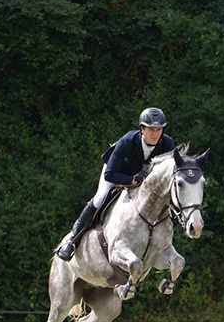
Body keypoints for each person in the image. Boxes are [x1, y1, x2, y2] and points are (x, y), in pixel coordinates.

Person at [55, 107, 176, 261]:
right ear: (142, 129)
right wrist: (131, 181)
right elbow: (110, 174)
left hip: (142, 179)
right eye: (151, 129)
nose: (155, 134)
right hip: (116, 171)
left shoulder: (167, 144)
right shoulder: (128, 141)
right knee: (100, 199)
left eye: (159, 130)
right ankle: (72, 240)